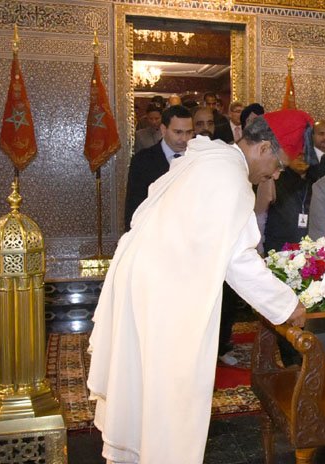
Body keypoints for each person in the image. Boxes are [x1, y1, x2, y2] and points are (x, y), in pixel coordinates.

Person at [88, 110, 312, 464]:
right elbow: (238, 260)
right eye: (278, 164)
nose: (276, 174)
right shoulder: (229, 177)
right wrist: (287, 306)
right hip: (164, 289)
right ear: (264, 147)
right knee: (172, 388)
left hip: (145, 278)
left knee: (143, 381)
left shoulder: (212, 158)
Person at [124, 105, 194, 231]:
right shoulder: (142, 161)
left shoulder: (198, 158)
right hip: (155, 234)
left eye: (189, 132)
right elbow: (134, 206)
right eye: (178, 132)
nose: (184, 139)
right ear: (163, 129)